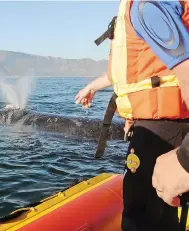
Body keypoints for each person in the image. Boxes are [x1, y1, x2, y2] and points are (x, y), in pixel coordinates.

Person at [76, 0, 189, 230]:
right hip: (162, 125)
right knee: (162, 215)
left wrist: (186, 160)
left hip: (163, 130)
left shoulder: (147, 6)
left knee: (140, 218)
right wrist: (93, 87)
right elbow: (129, 73)